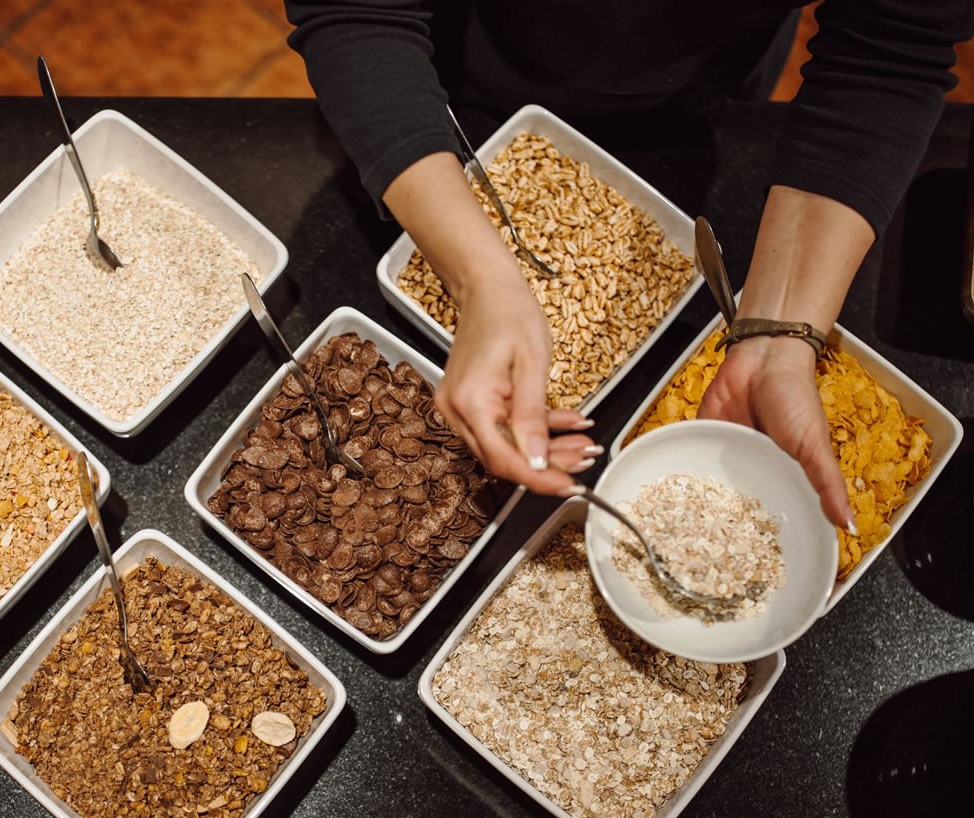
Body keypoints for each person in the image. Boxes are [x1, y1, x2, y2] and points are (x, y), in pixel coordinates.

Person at [283, 1, 974, 532]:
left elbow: (891, 48)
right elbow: (358, 11)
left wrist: (776, 335)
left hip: (710, 89)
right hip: (444, 77)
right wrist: (484, 281)